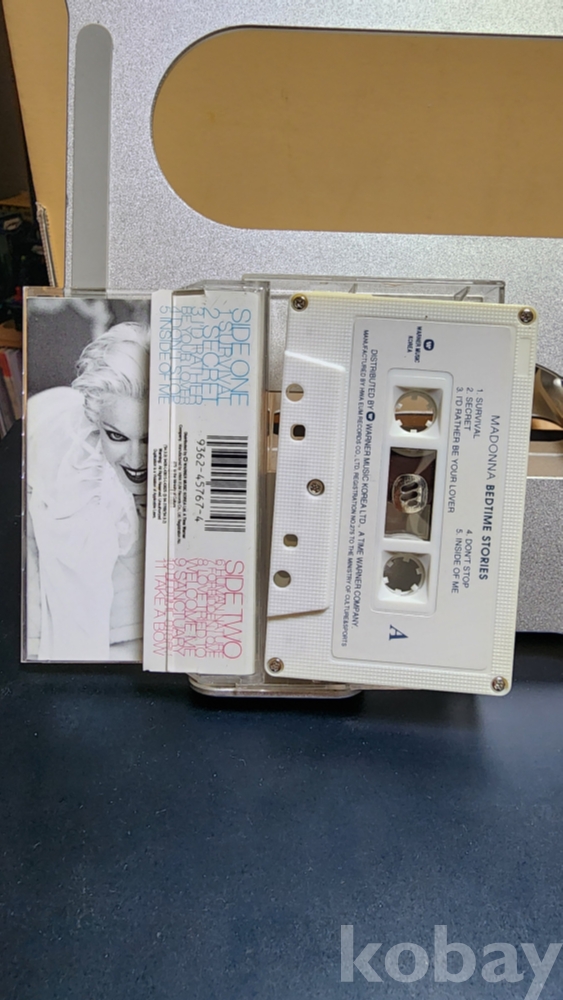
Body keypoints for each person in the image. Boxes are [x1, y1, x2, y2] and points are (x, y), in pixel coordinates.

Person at [26, 322, 150, 661]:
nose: (137, 460)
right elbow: (75, 638)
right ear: (96, 424)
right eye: (117, 436)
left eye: (149, 438)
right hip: (42, 415)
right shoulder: (82, 489)